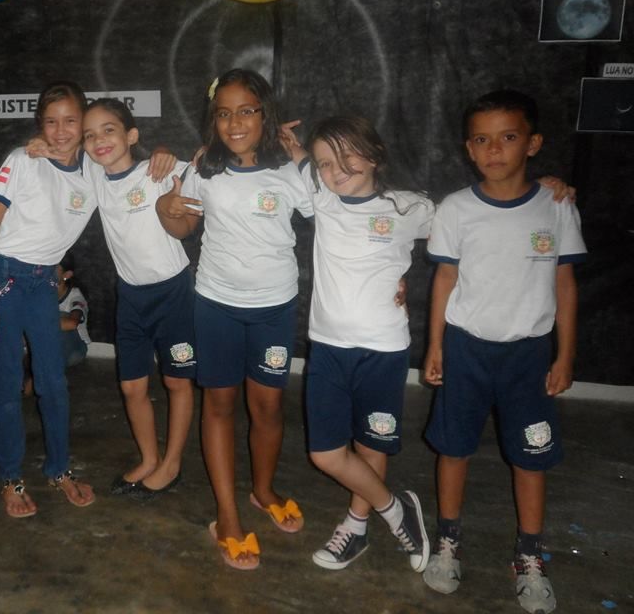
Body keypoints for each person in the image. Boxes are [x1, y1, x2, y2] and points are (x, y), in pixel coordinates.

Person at [422, 90, 585, 614]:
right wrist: (435, 345)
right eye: (481, 140)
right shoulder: (456, 208)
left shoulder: (556, 206)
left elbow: (565, 285)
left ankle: (530, 555)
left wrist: (564, 355)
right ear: (469, 148)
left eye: (508, 137)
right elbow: (444, 280)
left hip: (528, 355)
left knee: (531, 456)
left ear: (532, 143)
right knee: (454, 448)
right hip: (466, 349)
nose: (494, 149)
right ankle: (448, 540)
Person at [156, 69, 310, 570]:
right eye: (224, 113)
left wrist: (301, 155)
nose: (235, 122)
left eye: (246, 110)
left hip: (274, 308)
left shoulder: (289, 172)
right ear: (213, 120)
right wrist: (165, 207)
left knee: (268, 408)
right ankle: (226, 514)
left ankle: (262, 491)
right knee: (219, 406)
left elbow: (334, 212)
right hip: (216, 305)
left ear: (266, 115)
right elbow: (182, 226)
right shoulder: (204, 169)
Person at [293, 115, 432, 572]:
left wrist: (548, 187)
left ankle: (356, 526)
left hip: (383, 350)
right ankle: (395, 509)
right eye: (325, 163)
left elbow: (468, 232)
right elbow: (292, 153)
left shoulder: (410, 208)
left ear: (374, 155)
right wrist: (286, 138)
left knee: (372, 444)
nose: (335, 171)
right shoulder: (322, 199)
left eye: (346, 157)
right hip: (328, 348)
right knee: (325, 453)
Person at [0, 81, 99, 517]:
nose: (60, 131)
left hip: (44, 282)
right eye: (50, 122)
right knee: (7, 386)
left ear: (84, 121)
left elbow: (126, 157)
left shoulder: (94, 171)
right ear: (39, 124)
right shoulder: (23, 160)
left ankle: (59, 469)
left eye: (70, 120)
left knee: (53, 384)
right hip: (4, 279)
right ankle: (11, 477)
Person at [80, 98, 195, 501]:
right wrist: (40, 145)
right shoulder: (93, 174)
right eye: (89, 135)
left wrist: (165, 152)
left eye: (109, 130)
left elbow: (202, 168)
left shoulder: (156, 171)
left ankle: (172, 464)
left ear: (131, 135)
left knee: (177, 381)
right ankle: (149, 459)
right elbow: (56, 153)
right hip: (130, 296)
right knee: (132, 388)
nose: (99, 140)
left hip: (174, 293)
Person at [55, 262, 90, 369]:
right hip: (52, 346)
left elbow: (72, 324)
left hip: (75, 350)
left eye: (54, 268)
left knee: (61, 317)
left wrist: (36, 322)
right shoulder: (43, 293)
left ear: (66, 275)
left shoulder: (75, 296)